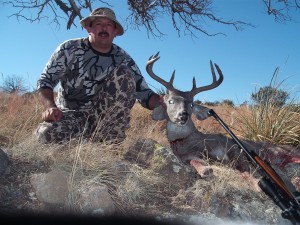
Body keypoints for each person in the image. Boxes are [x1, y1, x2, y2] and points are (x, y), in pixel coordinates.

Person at [35, 7, 161, 144]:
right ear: (89, 29)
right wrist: (50, 107)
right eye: (98, 24)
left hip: (104, 120)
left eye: (108, 25)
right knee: (45, 134)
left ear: (115, 32)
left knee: (124, 74)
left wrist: (164, 102)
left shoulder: (123, 59)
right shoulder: (69, 48)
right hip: (70, 115)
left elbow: (144, 93)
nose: (104, 28)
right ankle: (85, 142)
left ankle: (110, 140)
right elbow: (45, 81)